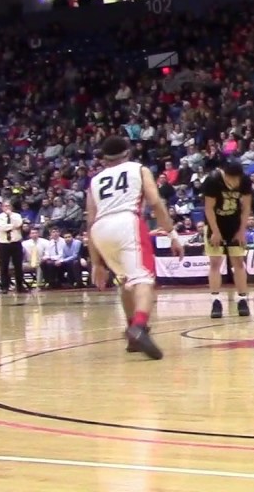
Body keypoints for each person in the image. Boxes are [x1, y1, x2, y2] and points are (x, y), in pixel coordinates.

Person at [86, 135, 183, 360]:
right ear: (127, 153)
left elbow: (89, 222)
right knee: (144, 280)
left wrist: (96, 262)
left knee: (126, 280)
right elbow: (155, 202)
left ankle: (132, 335)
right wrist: (172, 234)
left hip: (100, 230)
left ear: (104, 159)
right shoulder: (138, 169)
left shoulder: (94, 181)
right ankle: (139, 327)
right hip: (126, 222)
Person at [201, 160, 252, 319]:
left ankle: (242, 299)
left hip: (234, 223)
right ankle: (215, 300)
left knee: (238, 262)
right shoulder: (212, 180)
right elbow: (208, 208)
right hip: (215, 222)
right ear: (224, 174)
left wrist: (242, 231)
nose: (235, 183)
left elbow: (246, 208)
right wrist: (215, 232)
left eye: (237, 179)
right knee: (215, 262)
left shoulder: (244, 180)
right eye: (232, 179)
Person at [0, 201, 27, 293]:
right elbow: (1, 228)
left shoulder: (16, 215)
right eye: (5, 206)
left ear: (11, 207)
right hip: (4, 244)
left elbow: (19, 224)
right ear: (2, 207)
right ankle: (5, 287)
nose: (7, 208)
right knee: (4, 266)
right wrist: (12, 226)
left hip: (16, 243)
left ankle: (19, 286)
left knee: (18, 266)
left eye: (8, 206)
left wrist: (10, 217)